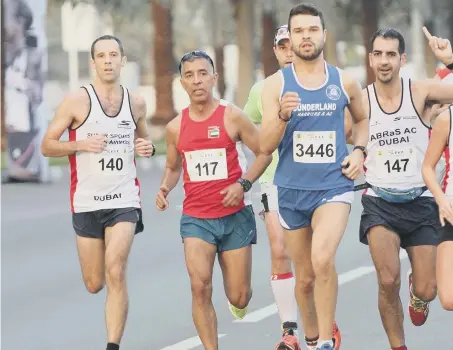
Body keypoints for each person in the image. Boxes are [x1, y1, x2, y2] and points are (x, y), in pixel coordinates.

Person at [260, 4, 369, 350]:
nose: (306, 36)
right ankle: (312, 339)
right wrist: (280, 114)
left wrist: (358, 152)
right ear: (289, 39)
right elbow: (264, 145)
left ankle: (324, 342)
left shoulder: (344, 81)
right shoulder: (276, 85)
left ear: (324, 34)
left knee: (323, 259)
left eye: (312, 29)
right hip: (291, 191)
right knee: (304, 278)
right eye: (299, 31)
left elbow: (363, 120)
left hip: (333, 187)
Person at [41, 35, 155, 350]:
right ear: (93, 63)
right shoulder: (76, 101)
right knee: (95, 283)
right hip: (86, 201)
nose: (108, 61)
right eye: (101, 56)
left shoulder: (136, 102)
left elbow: (144, 142)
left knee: (116, 269)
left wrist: (146, 147)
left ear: (123, 60)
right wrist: (80, 144)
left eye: (113, 55)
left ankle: (112, 346)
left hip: (124, 201)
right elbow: (47, 145)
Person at [155, 50, 272, 350]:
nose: (197, 81)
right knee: (199, 286)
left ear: (214, 78)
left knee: (239, 295)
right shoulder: (174, 128)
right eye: (190, 75)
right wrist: (165, 189)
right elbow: (172, 167)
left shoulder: (231, 115)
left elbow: (264, 151)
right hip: (196, 219)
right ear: (182, 82)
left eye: (203, 73)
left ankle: (238, 301)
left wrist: (243, 184)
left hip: (234, 216)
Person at [243, 24, 349, 350]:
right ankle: (290, 331)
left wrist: (354, 152)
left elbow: (348, 123)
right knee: (280, 251)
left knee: (318, 260)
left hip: (322, 184)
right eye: (282, 45)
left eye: (293, 43)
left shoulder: (329, 81)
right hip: (277, 181)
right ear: (275, 50)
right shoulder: (266, 88)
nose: (289, 49)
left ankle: (322, 326)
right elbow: (250, 135)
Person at [357, 27, 453, 350]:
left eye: (391, 55)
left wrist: (450, 63)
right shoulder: (360, 101)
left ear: (403, 59)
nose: (385, 61)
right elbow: (336, 134)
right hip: (380, 201)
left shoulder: (421, 92)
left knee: (429, 290)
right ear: (371, 59)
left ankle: (417, 293)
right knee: (387, 279)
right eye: (379, 54)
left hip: (421, 200)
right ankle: (398, 346)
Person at [422, 106, 453, 312]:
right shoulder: (447, 118)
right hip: (450, 210)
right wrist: (441, 200)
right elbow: (427, 167)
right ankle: (425, 272)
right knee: (449, 299)